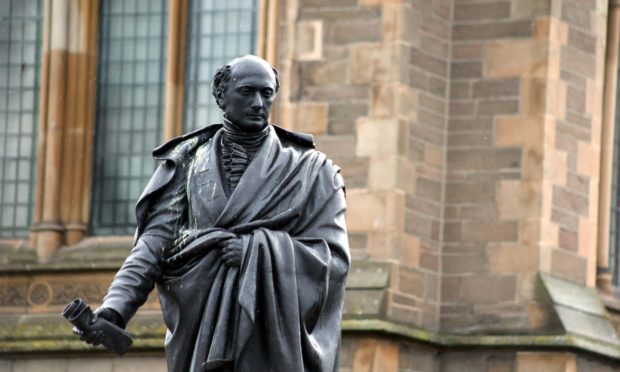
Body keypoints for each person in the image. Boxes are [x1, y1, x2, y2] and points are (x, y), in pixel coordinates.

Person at [76, 55, 350, 372]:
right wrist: (115, 308)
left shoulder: (314, 172)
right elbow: (154, 244)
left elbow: (333, 259)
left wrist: (254, 251)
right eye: (247, 92)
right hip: (200, 332)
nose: (259, 103)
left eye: (267, 93)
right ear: (221, 95)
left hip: (270, 342)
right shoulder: (187, 163)